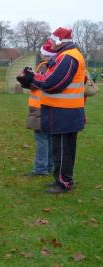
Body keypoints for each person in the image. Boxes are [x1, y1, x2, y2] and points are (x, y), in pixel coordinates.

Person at [17, 27, 86, 193]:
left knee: (63, 150)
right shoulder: (67, 55)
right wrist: (31, 79)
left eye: (53, 40)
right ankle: (62, 180)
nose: (50, 43)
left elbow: (52, 83)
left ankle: (63, 183)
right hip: (63, 111)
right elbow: (51, 81)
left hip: (65, 112)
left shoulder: (68, 57)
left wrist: (31, 78)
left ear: (60, 42)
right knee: (61, 149)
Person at [25, 42, 56, 178]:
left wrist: (27, 79)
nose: (41, 54)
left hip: (40, 106)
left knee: (42, 138)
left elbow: (40, 84)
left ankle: (41, 168)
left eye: (43, 52)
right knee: (48, 138)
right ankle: (49, 166)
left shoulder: (44, 66)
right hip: (49, 105)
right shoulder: (55, 65)